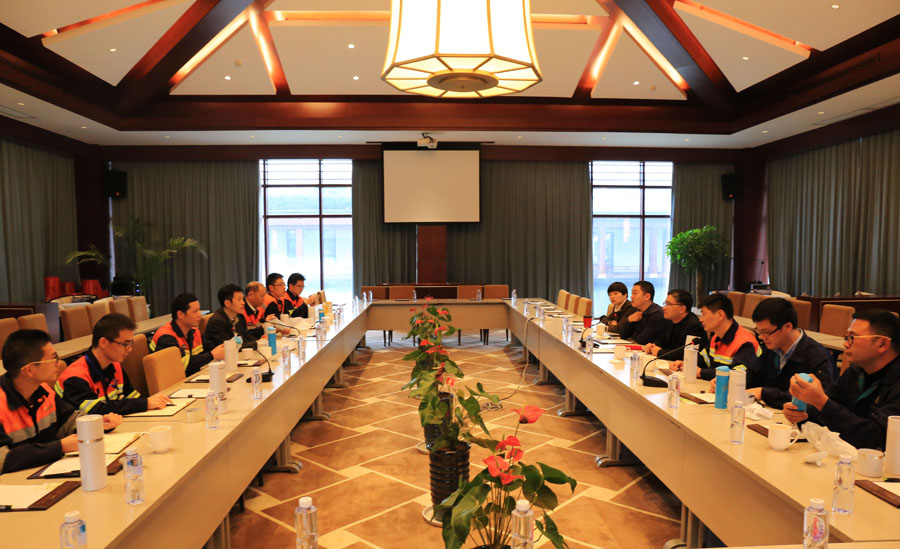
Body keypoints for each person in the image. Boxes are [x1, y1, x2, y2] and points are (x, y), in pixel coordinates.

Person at [0, 330, 122, 474]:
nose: (58, 363)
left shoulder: (44, 391)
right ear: (30, 370)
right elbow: (3, 460)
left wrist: (96, 423)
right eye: (53, 358)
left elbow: (68, 421)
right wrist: (60, 447)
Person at [784, 309, 900, 450]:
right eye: (846, 337)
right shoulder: (855, 372)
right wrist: (803, 412)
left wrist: (821, 402)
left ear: (882, 344)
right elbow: (832, 408)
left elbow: (875, 438)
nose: (846, 344)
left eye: (852, 338)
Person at [55, 313, 173, 415]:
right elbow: (95, 411)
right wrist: (144, 403)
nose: (129, 349)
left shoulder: (115, 365)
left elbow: (131, 396)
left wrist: (151, 402)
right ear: (103, 342)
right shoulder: (76, 377)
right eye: (125, 344)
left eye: (130, 344)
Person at [747, 298, 836, 409]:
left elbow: (818, 402)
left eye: (766, 332)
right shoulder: (771, 347)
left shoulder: (818, 357)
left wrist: (764, 393)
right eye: (759, 331)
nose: (761, 337)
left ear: (788, 327)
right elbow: (753, 376)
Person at [674, 293, 760, 380]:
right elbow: (704, 360)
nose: (700, 319)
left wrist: (701, 372)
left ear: (720, 315)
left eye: (704, 314)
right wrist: (687, 364)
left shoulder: (745, 342)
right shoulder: (717, 337)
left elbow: (737, 375)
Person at [150, 293, 224, 376]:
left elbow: (210, 348)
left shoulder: (194, 331)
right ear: (180, 314)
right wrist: (211, 355)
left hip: (191, 376)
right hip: (173, 380)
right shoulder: (166, 337)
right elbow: (179, 364)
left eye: (199, 310)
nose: (199, 315)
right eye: (195, 311)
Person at [644, 289, 707, 361]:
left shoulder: (694, 325)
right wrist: (653, 346)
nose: (664, 308)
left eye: (668, 304)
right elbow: (662, 340)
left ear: (682, 309)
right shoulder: (671, 321)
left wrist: (660, 352)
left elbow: (686, 354)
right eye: (665, 304)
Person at [205, 284, 258, 349]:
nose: (243, 303)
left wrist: (260, 341)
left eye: (242, 299)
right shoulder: (217, 321)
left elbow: (246, 336)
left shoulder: (237, 317)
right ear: (227, 303)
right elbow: (230, 347)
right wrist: (257, 343)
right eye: (239, 300)